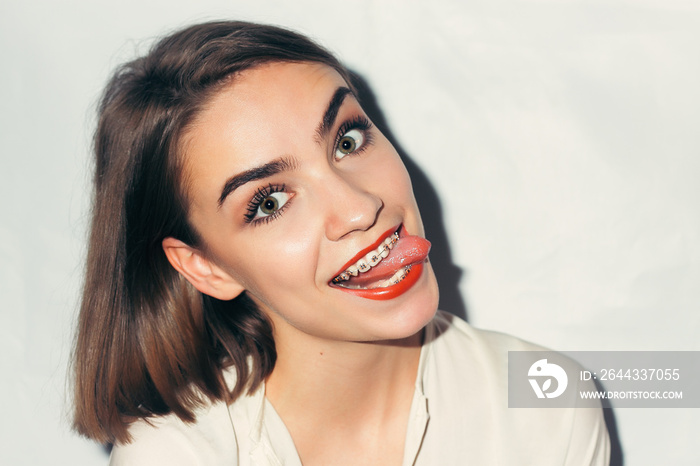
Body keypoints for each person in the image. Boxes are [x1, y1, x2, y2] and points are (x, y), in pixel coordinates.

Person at [72, 20, 610, 465]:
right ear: (205, 266)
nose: (360, 207)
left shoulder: (548, 405)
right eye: (269, 202)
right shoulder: (177, 455)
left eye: (347, 140)